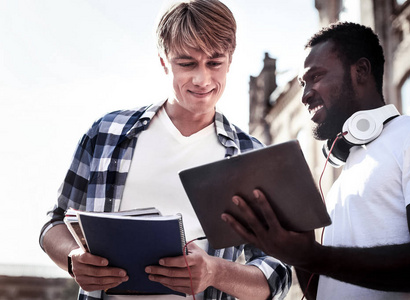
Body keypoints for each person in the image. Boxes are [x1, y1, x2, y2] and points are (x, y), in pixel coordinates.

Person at [38, 1, 292, 299]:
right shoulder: (106, 134)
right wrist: (72, 258)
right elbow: (54, 222)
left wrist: (215, 271)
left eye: (214, 63)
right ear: (163, 61)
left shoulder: (251, 156)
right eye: (186, 64)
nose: (202, 79)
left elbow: (278, 272)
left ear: (230, 60)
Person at [222, 21, 410, 299]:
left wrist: (315, 255)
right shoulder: (342, 179)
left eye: (315, 77)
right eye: (302, 83)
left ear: (361, 71)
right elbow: (325, 290)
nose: (305, 94)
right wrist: (296, 247)